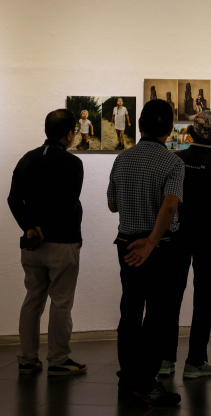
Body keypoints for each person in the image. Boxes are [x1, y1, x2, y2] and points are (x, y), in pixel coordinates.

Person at [107, 99, 184, 407]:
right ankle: (145, 383)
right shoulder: (173, 163)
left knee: (130, 310)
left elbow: (112, 204)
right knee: (157, 315)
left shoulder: (122, 159)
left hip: (126, 243)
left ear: (138, 125)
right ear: (169, 129)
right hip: (159, 246)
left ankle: (128, 376)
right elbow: (170, 205)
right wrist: (151, 241)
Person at [7, 109, 86, 377]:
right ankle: (58, 360)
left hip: (31, 245)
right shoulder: (72, 163)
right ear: (68, 134)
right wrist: (46, 229)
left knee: (32, 299)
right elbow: (68, 203)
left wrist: (30, 227)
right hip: (62, 242)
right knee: (61, 302)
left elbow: (13, 199)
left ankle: (27, 359)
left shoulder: (27, 159)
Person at [159, 111, 211, 379]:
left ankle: (165, 360)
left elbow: (165, 202)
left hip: (177, 234)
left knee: (171, 295)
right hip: (208, 236)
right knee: (203, 296)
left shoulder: (174, 160)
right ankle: (195, 362)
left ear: (190, 134)